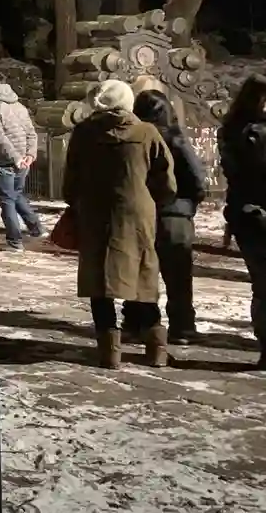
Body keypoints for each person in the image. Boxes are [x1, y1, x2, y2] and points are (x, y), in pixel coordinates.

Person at [63, 79, 175, 369]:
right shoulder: (147, 132)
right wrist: (154, 200)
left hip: (95, 212)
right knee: (142, 277)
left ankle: (109, 352)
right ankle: (156, 349)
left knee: (100, 280)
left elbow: (71, 180)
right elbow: (166, 181)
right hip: (137, 213)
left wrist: (77, 202)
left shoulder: (83, 133)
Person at [125, 89, 205, 344]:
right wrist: (188, 204)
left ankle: (140, 323)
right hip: (175, 214)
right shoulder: (176, 140)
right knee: (178, 277)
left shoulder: (133, 139)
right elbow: (197, 179)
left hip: (142, 213)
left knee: (140, 273)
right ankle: (182, 327)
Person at [219, 74, 266, 368]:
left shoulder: (231, 130)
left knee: (261, 286)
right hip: (258, 214)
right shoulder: (256, 134)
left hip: (244, 215)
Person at [0, 79, 43, 251]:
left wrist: (15, 157)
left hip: (5, 161)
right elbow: (31, 133)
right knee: (16, 194)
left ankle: (14, 241)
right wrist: (30, 154)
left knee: (7, 200)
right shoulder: (20, 107)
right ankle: (36, 228)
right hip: (24, 160)